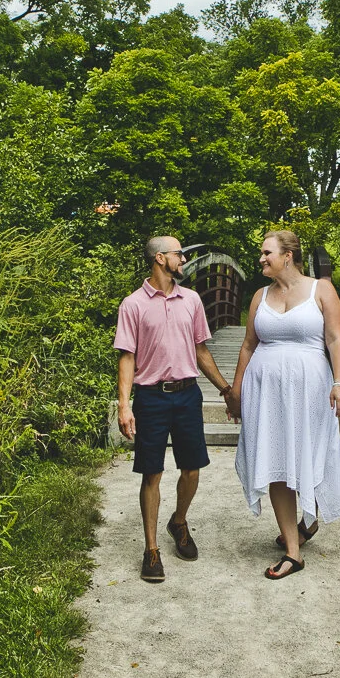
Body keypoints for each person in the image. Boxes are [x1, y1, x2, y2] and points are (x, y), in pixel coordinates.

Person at [226, 229, 340, 579]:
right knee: (275, 461)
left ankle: (305, 522)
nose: (261, 259)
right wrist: (236, 392)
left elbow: (335, 337)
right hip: (265, 391)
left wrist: (339, 383)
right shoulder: (259, 296)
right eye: (261, 253)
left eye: (267, 253)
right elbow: (249, 345)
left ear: (288, 255)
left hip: (311, 388)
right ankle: (293, 552)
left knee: (307, 454)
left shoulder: (321, 289)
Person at [115, 235, 233, 583]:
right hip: (151, 397)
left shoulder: (192, 300)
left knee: (192, 469)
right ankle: (151, 549)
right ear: (160, 259)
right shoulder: (133, 305)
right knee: (152, 473)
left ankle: (178, 521)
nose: (183, 259)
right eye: (179, 254)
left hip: (187, 395)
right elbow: (127, 357)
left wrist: (225, 389)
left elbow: (201, 351)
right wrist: (125, 405)